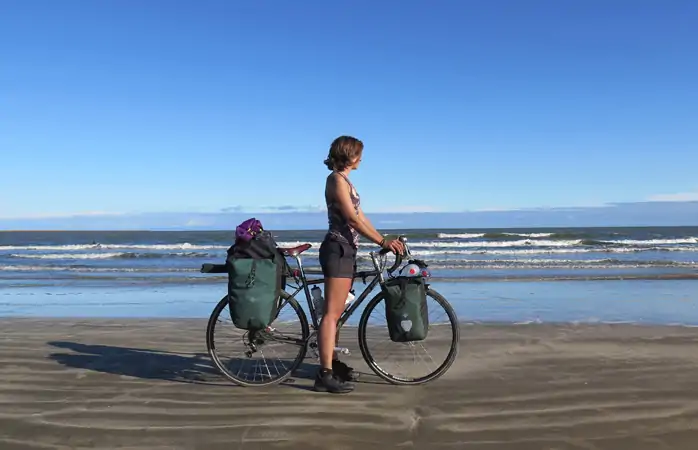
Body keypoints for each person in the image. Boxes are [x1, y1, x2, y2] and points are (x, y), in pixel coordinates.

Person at [314, 135, 405, 393]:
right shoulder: (334, 180)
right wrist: (382, 242)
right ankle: (324, 375)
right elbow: (352, 221)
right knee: (331, 314)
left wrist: (383, 238)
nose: (361, 158)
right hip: (337, 249)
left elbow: (361, 216)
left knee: (338, 313)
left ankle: (332, 363)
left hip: (347, 250)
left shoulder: (346, 181)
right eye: (358, 154)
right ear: (348, 154)